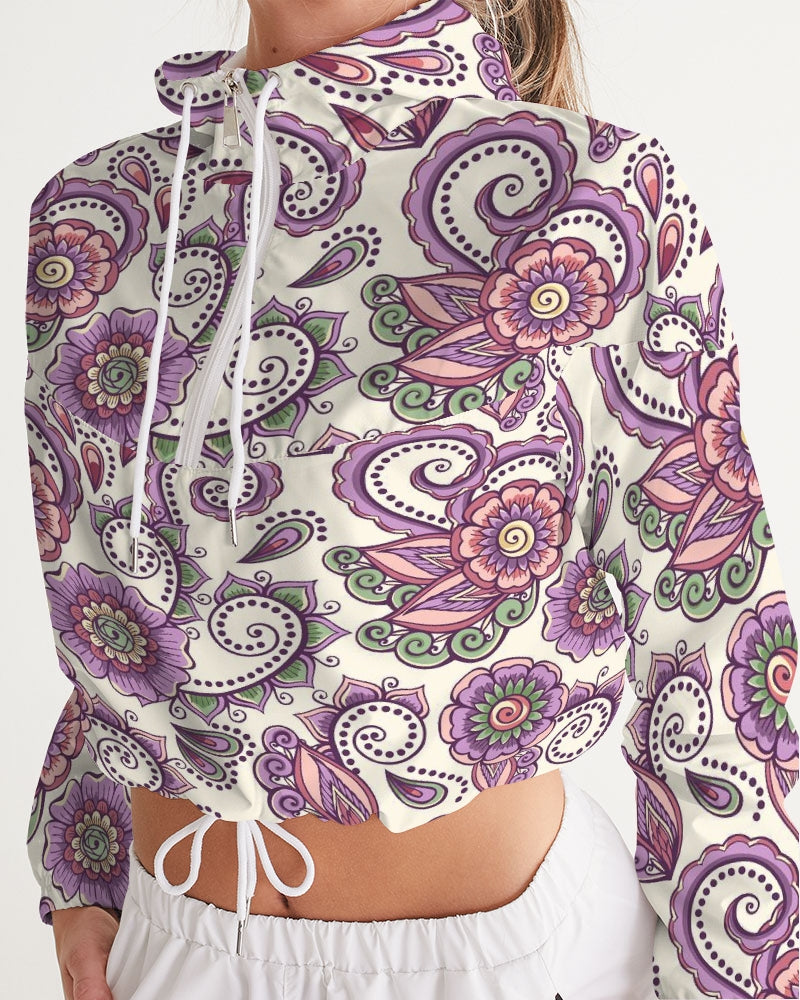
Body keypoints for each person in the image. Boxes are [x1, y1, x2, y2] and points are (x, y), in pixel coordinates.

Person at [23, 0, 798, 998]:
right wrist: (82, 867)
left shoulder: (590, 194)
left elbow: (715, 626)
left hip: (495, 960)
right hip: (170, 944)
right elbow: (119, 605)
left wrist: (742, 972)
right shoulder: (96, 211)